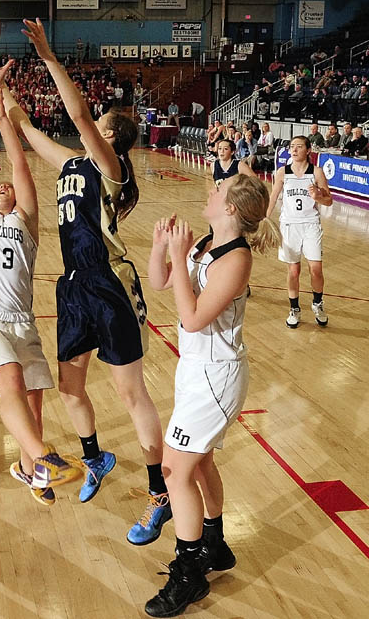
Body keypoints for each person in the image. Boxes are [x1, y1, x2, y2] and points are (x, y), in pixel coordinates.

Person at [11, 19, 168, 543]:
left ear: (109, 134)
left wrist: (50, 57)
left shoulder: (109, 164)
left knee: (131, 393)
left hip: (108, 283)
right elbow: (34, 138)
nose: (90, 123)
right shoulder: (75, 164)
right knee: (69, 387)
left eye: (97, 122)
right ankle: (95, 456)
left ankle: (158, 493)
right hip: (74, 285)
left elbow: (76, 113)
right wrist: (3, 99)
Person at [144, 175, 280, 618]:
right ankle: (215, 545)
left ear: (231, 209)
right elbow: (161, 282)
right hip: (195, 370)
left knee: (173, 469)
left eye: (218, 191)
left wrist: (182, 259)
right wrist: (162, 247)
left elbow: (193, 317)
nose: (210, 191)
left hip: (217, 377)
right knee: (199, 463)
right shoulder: (206, 240)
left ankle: (188, 575)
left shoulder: (236, 259)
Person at [0, 72, 87, 506]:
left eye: (9, 188)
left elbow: (19, 164)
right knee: (11, 381)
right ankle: (43, 458)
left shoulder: (25, 223)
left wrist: (4, 120)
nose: (3, 186)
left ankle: (31, 472)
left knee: (33, 405)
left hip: (21, 320)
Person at [266, 136, 332, 328]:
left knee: (316, 268)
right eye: (292, 147)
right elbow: (273, 197)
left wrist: (318, 196)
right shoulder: (282, 172)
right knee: (293, 270)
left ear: (308, 150)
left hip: (311, 224)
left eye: (299, 146)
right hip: (289, 225)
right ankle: (294, 308)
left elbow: (329, 201)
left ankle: (317, 303)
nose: (293, 150)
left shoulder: (316, 172)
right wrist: (265, 218)